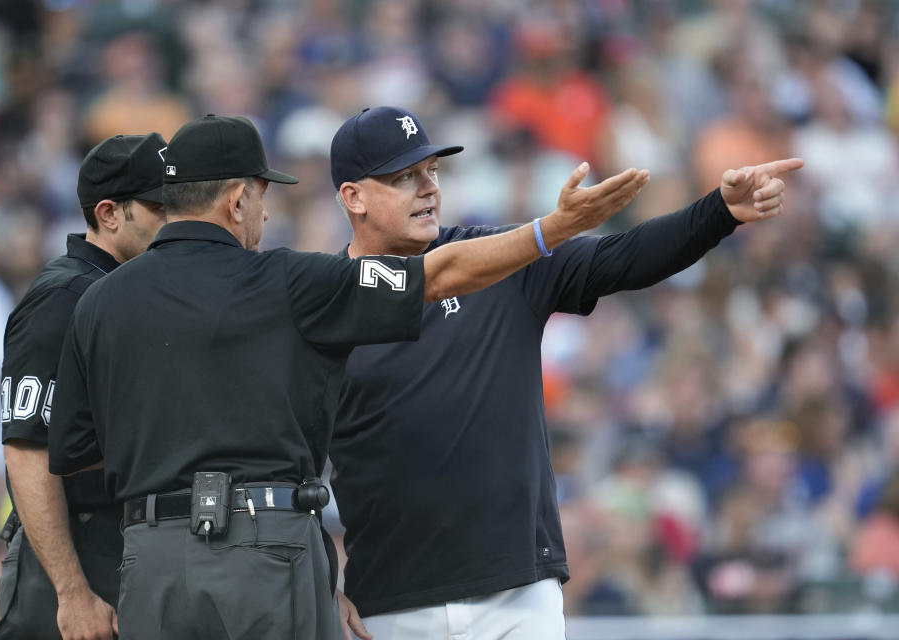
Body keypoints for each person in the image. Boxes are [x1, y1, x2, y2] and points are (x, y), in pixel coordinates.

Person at [46, 114, 649, 640]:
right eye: (260, 196)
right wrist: (550, 231)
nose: (263, 210)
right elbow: (433, 277)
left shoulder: (99, 302)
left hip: (152, 556)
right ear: (236, 201)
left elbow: (73, 453)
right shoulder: (291, 281)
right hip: (265, 544)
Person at [326, 106, 804, 639]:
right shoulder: (323, 303)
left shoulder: (498, 261)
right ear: (353, 197)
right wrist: (325, 580)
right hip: (390, 607)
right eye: (403, 178)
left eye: (432, 172)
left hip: (516, 595)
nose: (427, 189)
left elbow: (625, 258)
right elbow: (286, 462)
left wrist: (720, 212)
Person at [0, 132, 168, 640]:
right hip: (73, 550)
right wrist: (70, 592)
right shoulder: (63, 299)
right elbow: (27, 449)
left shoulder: (135, 290)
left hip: (123, 542)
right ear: (110, 213)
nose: (176, 219)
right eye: (160, 206)